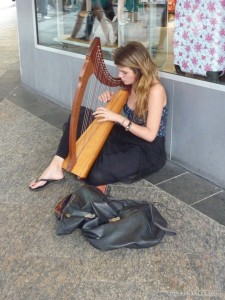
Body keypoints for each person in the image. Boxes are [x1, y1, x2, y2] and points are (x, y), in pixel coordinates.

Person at [29, 41, 167, 192]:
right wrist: (112, 98)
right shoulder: (132, 82)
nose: (120, 76)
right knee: (81, 113)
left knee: (96, 176)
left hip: (146, 148)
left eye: (124, 72)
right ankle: (55, 165)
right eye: (119, 71)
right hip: (127, 135)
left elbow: (150, 135)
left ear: (139, 69)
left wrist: (118, 118)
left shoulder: (156, 91)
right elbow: (131, 106)